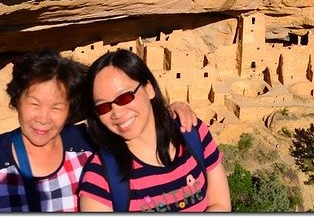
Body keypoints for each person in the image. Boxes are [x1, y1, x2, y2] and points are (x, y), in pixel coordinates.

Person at [0, 48, 196, 212]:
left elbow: (129, 123)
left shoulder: (85, 142)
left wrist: (171, 111)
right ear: (17, 100)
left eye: (57, 107)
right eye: (34, 104)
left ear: (70, 110)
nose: (43, 119)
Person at [78, 49, 231, 212]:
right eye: (103, 107)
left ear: (149, 88)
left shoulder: (194, 134)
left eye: (124, 97)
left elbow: (220, 204)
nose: (117, 113)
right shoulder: (101, 176)